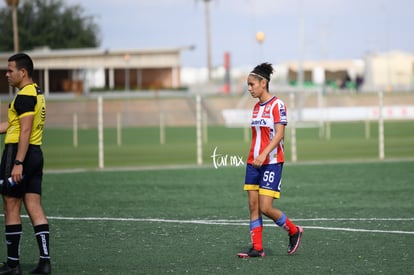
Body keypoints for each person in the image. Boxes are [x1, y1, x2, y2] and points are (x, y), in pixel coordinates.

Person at [237, 62, 303, 258]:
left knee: (266, 207)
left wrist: (264, 153)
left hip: (271, 162)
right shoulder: (256, 108)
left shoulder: (277, 105)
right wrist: (255, 156)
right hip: (253, 163)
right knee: (253, 206)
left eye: (252, 84)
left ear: (263, 82)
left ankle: (293, 230)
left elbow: (279, 134)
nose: (249, 88)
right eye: (248, 85)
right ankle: (257, 248)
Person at [0, 53, 51, 274]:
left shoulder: (23, 97)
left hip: (19, 153)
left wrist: (18, 162)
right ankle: (44, 262)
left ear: (23, 72)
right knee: (33, 205)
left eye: (10, 70)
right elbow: (14, 125)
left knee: (11, 205)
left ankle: (13, 264)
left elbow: (25, 130)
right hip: (35, 154)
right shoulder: (36, 92)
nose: (6, 74)